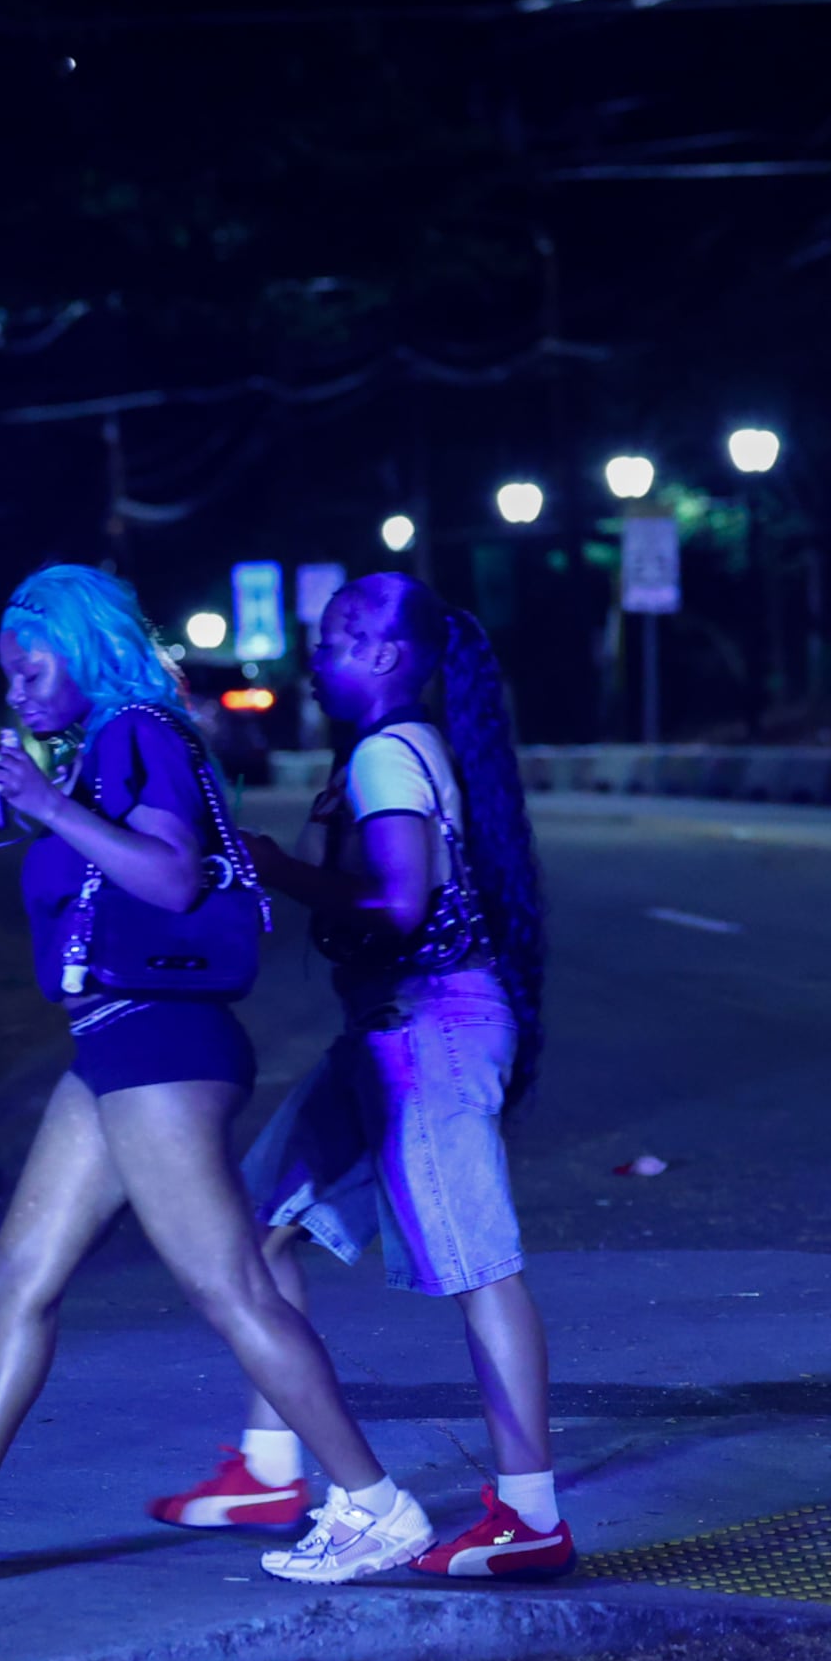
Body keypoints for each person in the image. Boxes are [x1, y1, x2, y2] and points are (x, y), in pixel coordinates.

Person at [0, 563, 430, 1591]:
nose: (14, 686)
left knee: (230, 1285)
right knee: (19, 1275)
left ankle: (373, 1503)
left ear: (84, 647)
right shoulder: (105, 752)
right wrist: (35, 806)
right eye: (7, 671)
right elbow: (115, 875)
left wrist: (47, 805)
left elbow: (169, 873)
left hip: (160, 1042)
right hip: (112, 1041)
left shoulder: (137, 732)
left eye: (31, 664)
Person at [178, 572, 571, 1578]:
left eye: (345, 632)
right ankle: (269, 1462)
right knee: (251, 1230)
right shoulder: (370, 755)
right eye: (326, 629)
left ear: (391, 655)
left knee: (478, 1267)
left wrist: (279, 867)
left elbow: (398, 901)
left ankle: (531, 1513)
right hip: (385, 1031)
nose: (322, 645)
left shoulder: (392, 756)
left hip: (431, 1031)